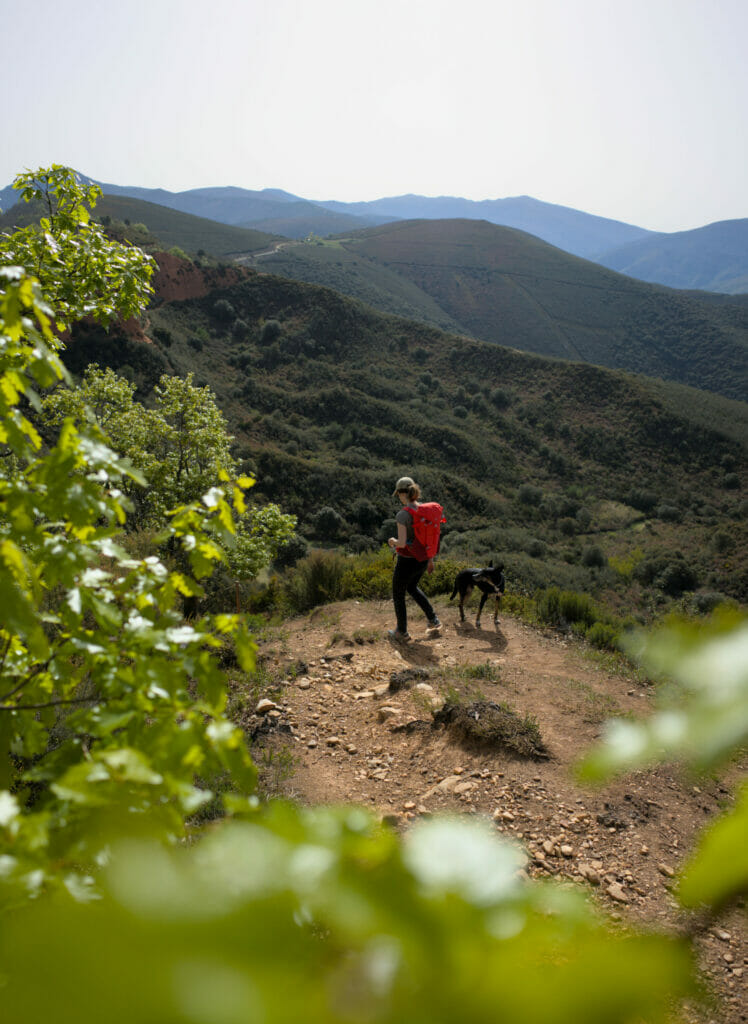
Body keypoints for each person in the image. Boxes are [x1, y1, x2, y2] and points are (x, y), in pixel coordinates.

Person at [387, 476, 441, 641]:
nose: (399, 498)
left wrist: (392, 541)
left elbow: (402, 543)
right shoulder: (425, 510)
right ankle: (433, 619)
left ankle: (401, 632)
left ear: (403, 494)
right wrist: (430, 559)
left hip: (407, 560)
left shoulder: (403, 515)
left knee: (398, 593)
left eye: (398, 495)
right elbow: (429, 538)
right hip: (423, 559)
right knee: (412, 587)